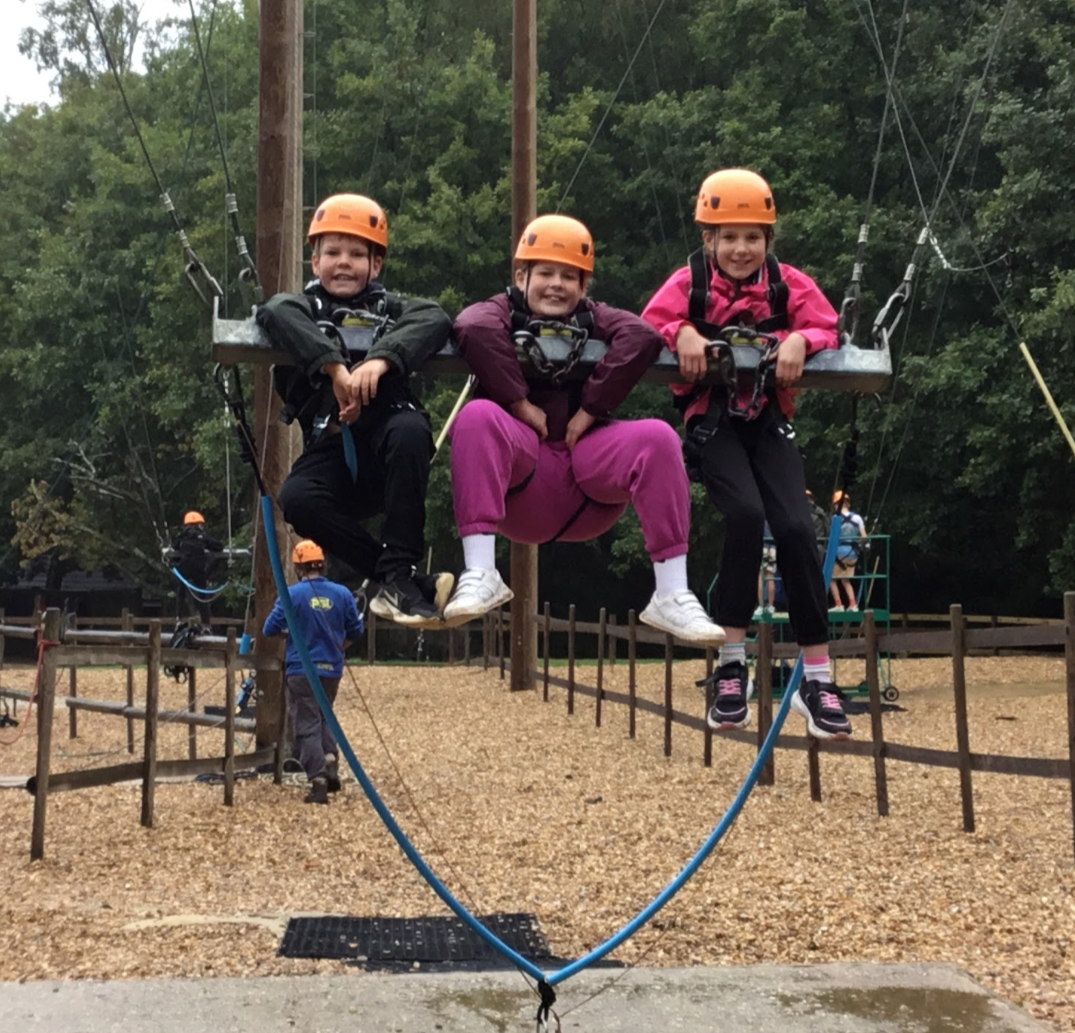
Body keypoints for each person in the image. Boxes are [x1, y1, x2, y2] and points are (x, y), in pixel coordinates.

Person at [441, 214, 723, 645]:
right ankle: (480, 570)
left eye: (569, 277)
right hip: (522, 481)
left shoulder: (593, 316)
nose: (557, 285)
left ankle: (671, 591)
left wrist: (590, 408)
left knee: (658, 436)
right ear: (521, 276)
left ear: (584, 285)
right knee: (476, 416)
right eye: (546, 273)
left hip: (587, 481)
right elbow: (472, 326)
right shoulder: (499, 311)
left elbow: (642, 336)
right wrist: (520, 403)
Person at [642, 168, 851, 740]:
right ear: (708, 239)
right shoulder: (690, 283)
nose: (740, 249)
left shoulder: (786, 285)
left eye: (752, 237)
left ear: (768, 239)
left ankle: (816, 675)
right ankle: (731, 664)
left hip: (767, 417)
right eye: (728, 237)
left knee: (796, 526)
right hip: (712, 419)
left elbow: (827, 326)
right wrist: (682, 333)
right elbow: (647, 325)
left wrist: (801, 339)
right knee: (745, 514)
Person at [255, 193, 454, 628]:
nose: (343, 262)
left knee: (409, 429)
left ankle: (398, 569)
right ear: (315, 262)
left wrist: (380, 360)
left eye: (357, 254)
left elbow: (434, 317)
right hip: (334, 450)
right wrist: (334, 368)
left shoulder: (392, 311)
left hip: (390, 451)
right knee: (297, 498)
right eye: (332, 253)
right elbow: (275, 310)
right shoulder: (302, 309)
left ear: (375, 265)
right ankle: (396, 577)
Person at [262, 539, 363, 804]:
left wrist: (292, 634)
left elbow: (269, 628)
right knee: (324, 716)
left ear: (298, 568)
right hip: (331, 669)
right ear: (322, 564)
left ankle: (318, 781)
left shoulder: (292, 595)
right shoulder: (342, 593)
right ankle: (329, 760)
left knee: (306, 723)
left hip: (301, 669)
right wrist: (338, 646)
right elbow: (356, 630)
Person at [170, 510, 224, 630]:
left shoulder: (182, 536)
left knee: (181, 593)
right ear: (199, 524)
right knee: (202, 596)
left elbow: (174, 547)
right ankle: (206, 623)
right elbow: (218, 546)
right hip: (198, 568)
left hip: (183, 567)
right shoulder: (202, 536)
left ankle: (179, 619)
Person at [830, 490, 866, 611]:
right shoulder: (857, 518)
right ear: (848, 503)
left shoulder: (835, 519)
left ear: (837, 505)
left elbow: (833, 538)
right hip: (853, 553)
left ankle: (839, 605)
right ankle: (853, 604)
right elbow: (864, 537)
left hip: (839, 552)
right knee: (846, 580)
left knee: (831, 579)